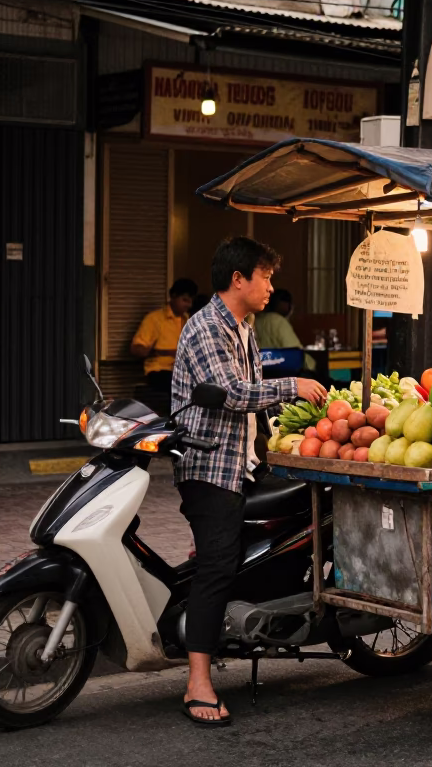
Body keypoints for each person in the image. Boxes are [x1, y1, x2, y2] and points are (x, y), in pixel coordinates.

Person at [171, 237, 327, 725]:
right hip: (209, 467)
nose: (271, 286)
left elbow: (260, 401)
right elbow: (237, 393)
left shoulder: (244, 327)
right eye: (266, 276)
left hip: (242, 462)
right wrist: (291, 385)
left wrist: (306, 422)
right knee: (216, 566)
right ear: (239, 279)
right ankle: (197, 682)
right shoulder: (206, 329)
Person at [132, 278, 198, 393]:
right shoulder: (154, 319)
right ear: (173, 296)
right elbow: (136, 349)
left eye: (191, 301)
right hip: (160, 371)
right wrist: (153, 351)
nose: (189, 305)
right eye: (185, 300)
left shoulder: (188, 320)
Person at [254, 289, 315, 371]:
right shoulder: (278, 321)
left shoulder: (256, 320)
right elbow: (296, 353)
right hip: (282, 373)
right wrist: (313, 366)